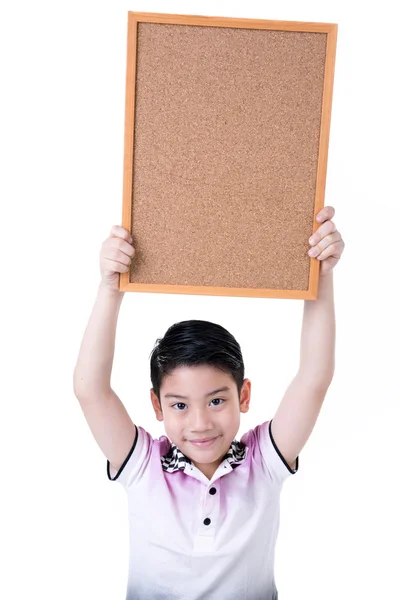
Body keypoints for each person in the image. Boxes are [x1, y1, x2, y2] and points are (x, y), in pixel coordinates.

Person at [73, 206, 345, 600]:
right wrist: (109, 289)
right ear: (157, 406)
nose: (199, 423)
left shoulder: (263, 462)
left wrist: (322, 274)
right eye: (180, 405)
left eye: (216, 400)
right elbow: (89, 389)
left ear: (244, 396)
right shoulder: (143, 466)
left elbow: (314, 377)